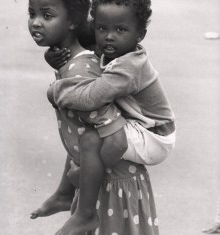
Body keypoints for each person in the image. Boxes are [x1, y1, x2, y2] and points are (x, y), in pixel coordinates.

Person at [38, 0, 176, 234]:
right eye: (102, 29)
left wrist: (56, 90)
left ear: (139, 35)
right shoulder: (117, 46)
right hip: (140, 124)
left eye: (120, 30)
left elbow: (92, 97)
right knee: (86, 135)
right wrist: (52, 60)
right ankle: (64, 193)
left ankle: (84, 212)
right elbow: (79, 34)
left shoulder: (129, 67)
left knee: (92, 139)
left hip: (154, 136)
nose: (109, 37)